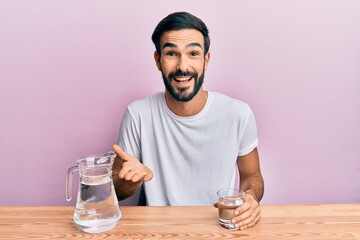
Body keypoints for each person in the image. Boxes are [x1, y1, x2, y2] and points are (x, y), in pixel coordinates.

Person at [112, 11, 264, 231]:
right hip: (156, 232)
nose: (182, 66)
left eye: (193, 53)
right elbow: (115, 189)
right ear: (158, 60)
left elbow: (252, 176)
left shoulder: (238, 113)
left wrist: (250, 198)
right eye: (171, 53)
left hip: (218, 229)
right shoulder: (138, 114)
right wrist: (129, 182)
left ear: (206, 59)